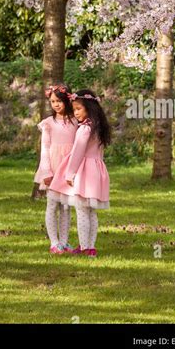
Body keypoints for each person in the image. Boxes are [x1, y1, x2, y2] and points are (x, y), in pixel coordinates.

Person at [49, 89, 111, 257]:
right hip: (97, 169)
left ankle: (84, 247)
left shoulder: (85, 129)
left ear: (89, 109)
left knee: (82, 209)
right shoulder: (98, 127)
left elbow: (77, 152)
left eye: (78, 109)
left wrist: (70, 174)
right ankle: (91, 247)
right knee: (91, 211)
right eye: (74, 109)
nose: (75, 113)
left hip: (84, 170)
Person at [33, 85, 78, 255]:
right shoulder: (48, 123)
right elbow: (45, 148)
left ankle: (65, 242)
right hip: (53, 167)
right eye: (52, 101)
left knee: (66, 207)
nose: (56, 104)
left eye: (59, 101)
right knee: (52, 205)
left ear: (67, 100)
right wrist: (46, 172)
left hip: (68, 168)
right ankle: (54, 242)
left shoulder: (75, 121)